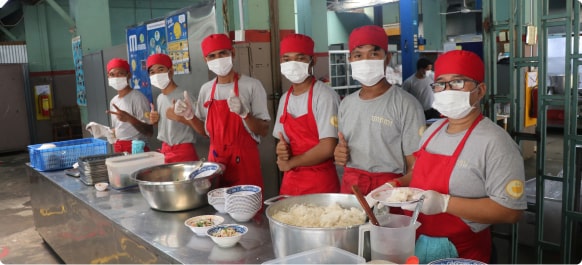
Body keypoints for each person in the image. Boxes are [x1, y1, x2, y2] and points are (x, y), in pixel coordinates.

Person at [402, 50, 526, 263]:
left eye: (458, 82)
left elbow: (510, 211)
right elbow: (417, 172)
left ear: (480, 90)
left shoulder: (495, 142)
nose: (447, 90)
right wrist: (394, 185)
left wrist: (444, 204)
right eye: (441, 83)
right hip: (417, 241)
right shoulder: (433, 131)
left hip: (463, 252)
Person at [333, 25, 426, 195]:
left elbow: (416, 167)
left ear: (387, 58)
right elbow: (344, 148)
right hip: (351, 189)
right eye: (358, 55)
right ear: (350, 59)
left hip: (389, 190)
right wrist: (340, 153)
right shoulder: (346, 104)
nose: (365, 60)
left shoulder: (407, 105)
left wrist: (394, 187)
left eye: (374, 54)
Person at [175, 33, 270, 189]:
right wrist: (190, 116)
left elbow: (264, 130)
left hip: (244, 161)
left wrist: (245, 114)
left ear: (232, 53)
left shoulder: (252, 85)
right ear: (206, 60)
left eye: (222, 53)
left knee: (247, 210)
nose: (217, 59)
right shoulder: (206, 89)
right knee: (218, 209)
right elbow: (206, 132)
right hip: (216, 161)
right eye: (212, 56)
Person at [272, 33, 340, 195]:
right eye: (287, 59)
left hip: (320, 182)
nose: (293, 64)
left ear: (313, 60)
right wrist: (282, 150)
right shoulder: (285, 99)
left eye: (300, 58)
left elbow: (328, 147)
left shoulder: (324, 96)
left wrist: (292, 162)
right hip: (291, 181)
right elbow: (283, 141)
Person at [147, 53, 200, 163]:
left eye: (160, 70)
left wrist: (182, 118)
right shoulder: (160, 98)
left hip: (184, 153)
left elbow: (202, 129)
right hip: (165, 151)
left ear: (170, 72)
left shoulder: (185, 95)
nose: (156, 75)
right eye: (152, 72)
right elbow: (168, 128)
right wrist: (156, 122)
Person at [105, 58, 153, 153]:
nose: (116, 77)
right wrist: (109, 133)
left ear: (129, 75)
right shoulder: (113, 101)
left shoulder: (137, 98)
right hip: (119, 148)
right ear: (108, 77)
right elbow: (119, 128)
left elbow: (149, 131)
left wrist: (129, 118)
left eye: (120, 73)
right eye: (112, 75)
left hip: (136, 149)